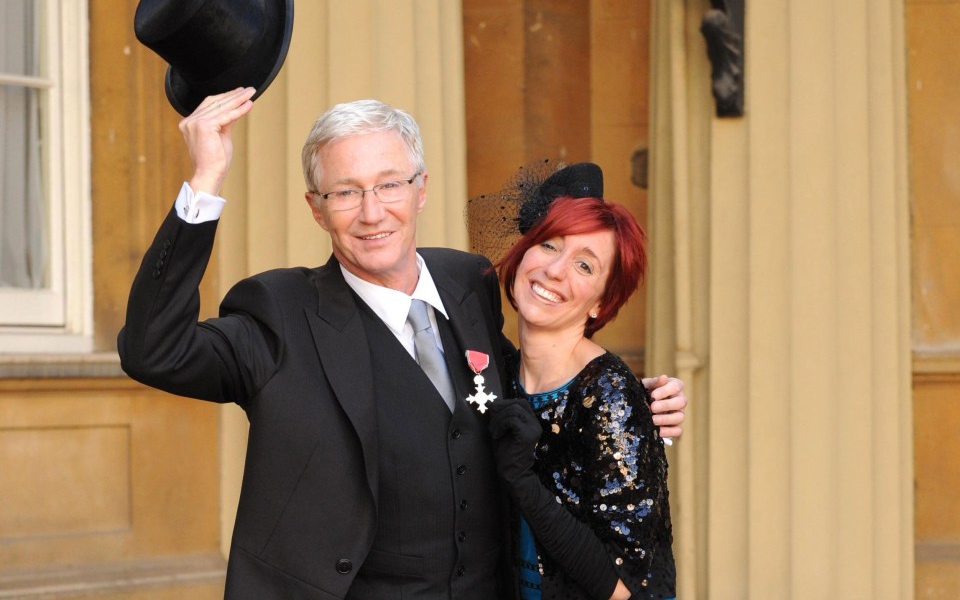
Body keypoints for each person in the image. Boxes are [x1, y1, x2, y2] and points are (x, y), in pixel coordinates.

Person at [118, 88, 686, 598]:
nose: (372, 212)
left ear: (420, 191)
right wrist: (205, 180)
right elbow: (153, 351)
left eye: (389, 184)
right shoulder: (278, 314)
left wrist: (625, 403)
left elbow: (529, 389)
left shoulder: (472, 285)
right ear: (316, 208)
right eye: (345, 192)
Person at [486, 164, 675, 600]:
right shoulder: (499, 367)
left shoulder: (605, 394)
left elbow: (626, 587)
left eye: (584, 266)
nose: (555, 270)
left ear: (601, 303)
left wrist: (523, 482)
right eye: (548, 245)